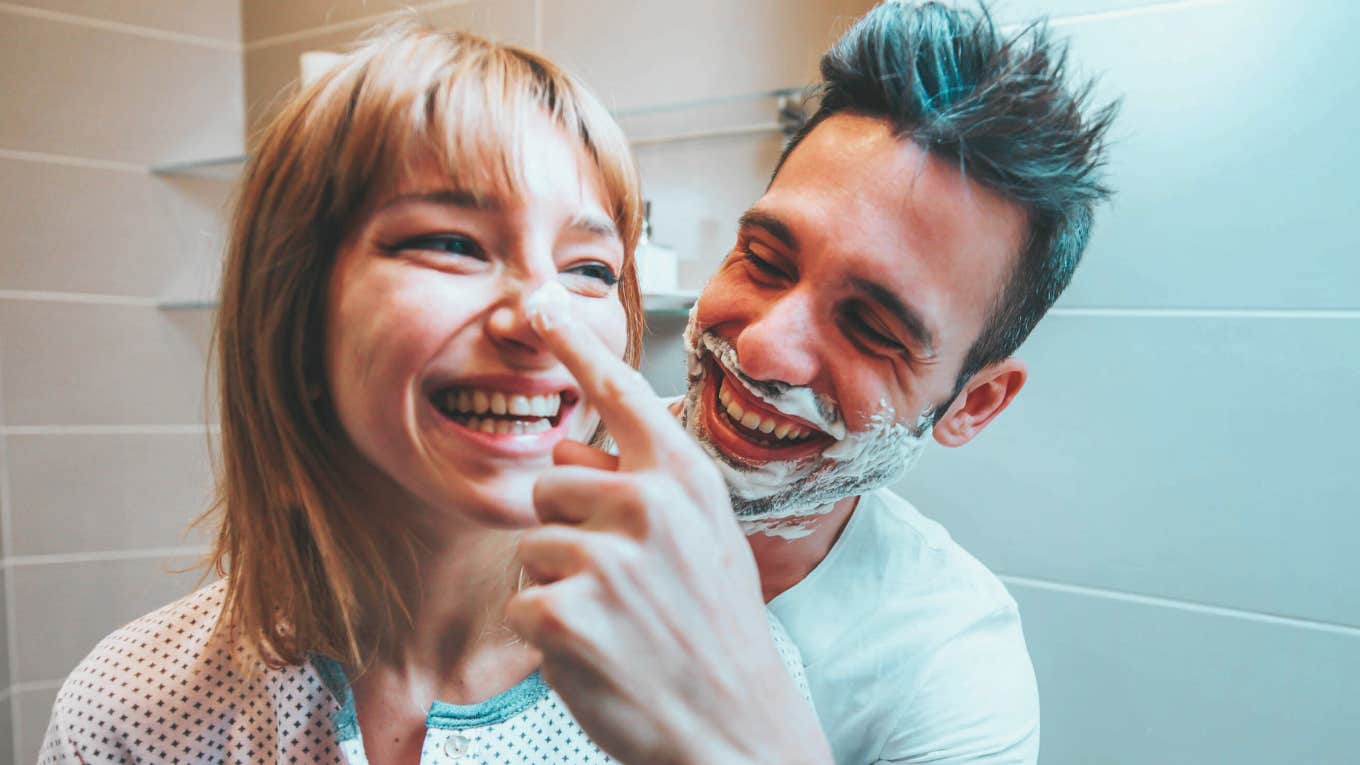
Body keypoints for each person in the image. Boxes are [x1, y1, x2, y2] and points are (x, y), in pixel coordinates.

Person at [39, 23, 817, 765]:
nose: (540, 322)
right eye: (451, 244)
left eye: (589, 269)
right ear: (296, 307)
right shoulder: (133, 711)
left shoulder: (720, 683)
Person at [509, 2, 1118, 764]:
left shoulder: (947, 664)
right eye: (763, 260)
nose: (764, 346)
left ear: (975, 402)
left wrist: (744, 732)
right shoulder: (532, 465)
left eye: (872, 328)